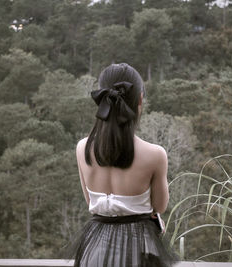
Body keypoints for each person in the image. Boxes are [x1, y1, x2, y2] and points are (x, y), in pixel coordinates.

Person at [71, 63, 178, 267]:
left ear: (101, 100)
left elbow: (90, 204)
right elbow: (160, 206)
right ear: (139, 100)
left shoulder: (82, 148)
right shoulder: (155, 154)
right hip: (141, 250)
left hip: (95, 251)